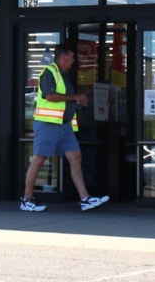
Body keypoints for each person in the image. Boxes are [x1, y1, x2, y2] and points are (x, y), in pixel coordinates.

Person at [21, 44, 109, 213]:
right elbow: (50, 95)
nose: (74, 60)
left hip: (64, 126)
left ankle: (85, 198)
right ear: (63, 57)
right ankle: (27, 199)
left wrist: (77, 101)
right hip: (48, 124)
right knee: (39, 159)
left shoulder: (64, 75)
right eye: (72, 56)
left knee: (75, 156)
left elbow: (64, 100)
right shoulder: (49, 72)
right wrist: (75, 97)